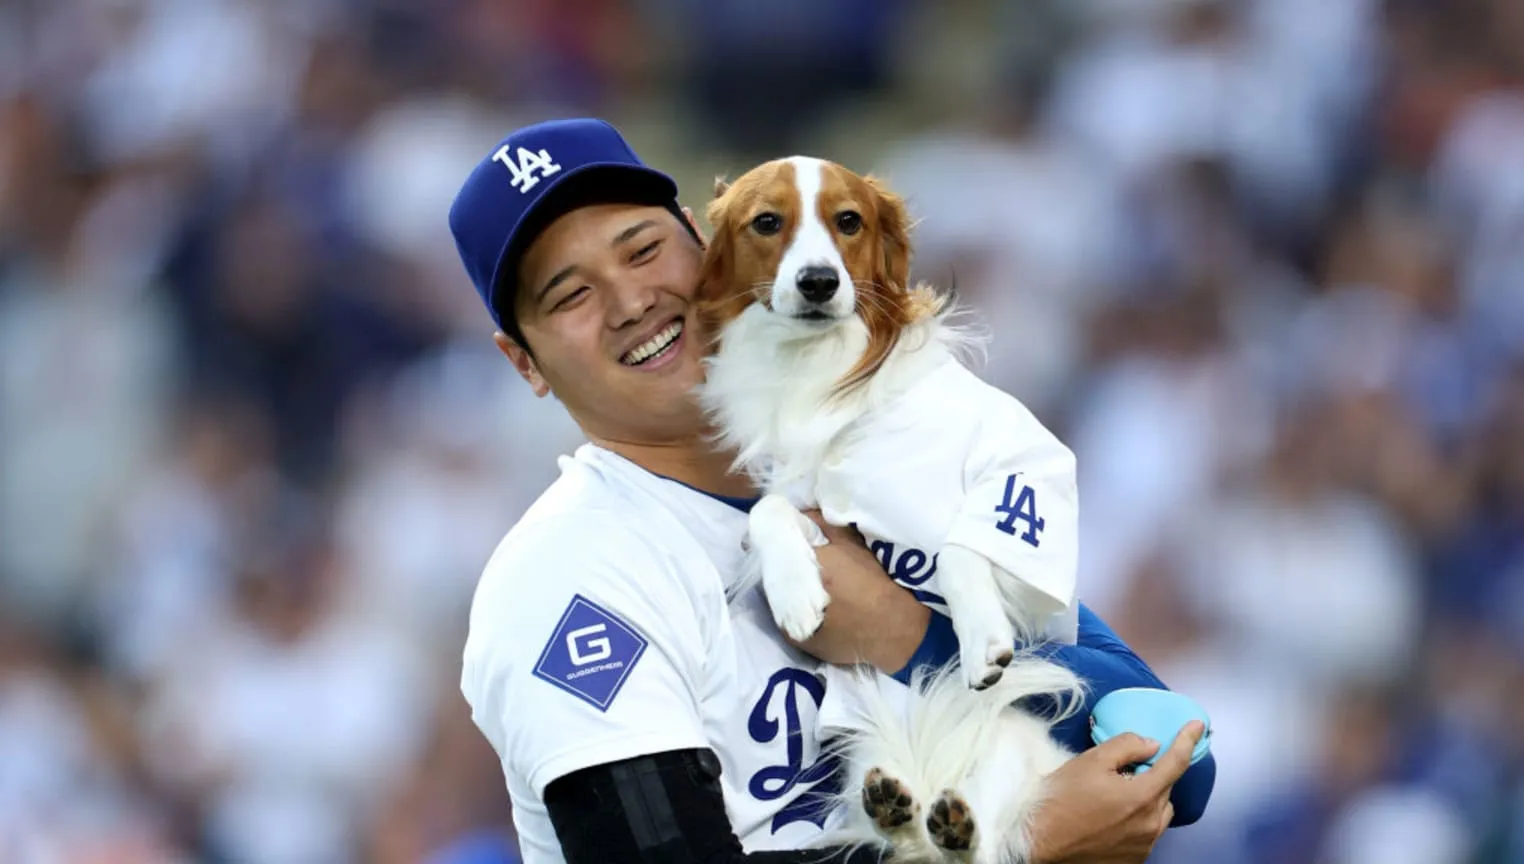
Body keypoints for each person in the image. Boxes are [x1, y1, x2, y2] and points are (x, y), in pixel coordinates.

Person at [449, 118, 1213, 864]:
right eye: (569, 295)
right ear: (525, 363)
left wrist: (905, 638)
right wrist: (1020, 845)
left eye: (644, 249)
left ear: (706, 243)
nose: (631, 302)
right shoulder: (570, 575)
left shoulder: (887, 443)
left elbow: (1181, 762)